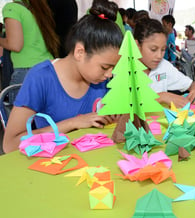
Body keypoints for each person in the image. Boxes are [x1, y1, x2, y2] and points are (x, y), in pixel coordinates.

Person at [2, 0, 123, 153]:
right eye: (105, 67)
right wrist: (73, 123)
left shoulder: (100, 79)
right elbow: (10, 144)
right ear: (80, 52)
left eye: (113, 67)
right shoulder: (41, 78)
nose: (109, 74)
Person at [133, 18, 195, 108]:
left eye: (163, 50)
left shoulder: (163, 66)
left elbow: (191, 84)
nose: (159, 55)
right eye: (153, 49)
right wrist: (162, 97)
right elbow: (128, 105)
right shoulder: (125, 69)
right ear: (137, 45)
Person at [0, 0, 60, 85]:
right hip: (49, 66)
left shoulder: (12, 8)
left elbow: (15, 45)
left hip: (27, 70)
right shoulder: (36, 7)